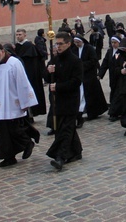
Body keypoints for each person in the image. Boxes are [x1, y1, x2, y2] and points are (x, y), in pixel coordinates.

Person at [0, 42, 40, 167]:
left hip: (12, 102)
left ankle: (27, 143)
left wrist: (25, 102)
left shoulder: (14, 63)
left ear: (3, 51)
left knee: (14, 130)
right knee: (2, 133)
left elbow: (22, 83)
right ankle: (8, 157)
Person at [46, 32, 83, 171]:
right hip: (57, 101)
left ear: (68, 44)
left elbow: (77, 81)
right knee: (65, 127)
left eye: (61, 43)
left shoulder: (75, 61)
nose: (58, 46)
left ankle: (60, 157)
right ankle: (76, 151)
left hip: (70, 101)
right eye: (57, 43)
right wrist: (48, 71)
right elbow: (47, 79)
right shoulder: (55, 60)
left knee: (65, 130)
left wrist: (59, 87)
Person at [14, 29, 47, 120]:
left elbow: (35, 63)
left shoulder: (30, 46)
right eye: (17, 35)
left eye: (20, 34)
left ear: (25, 35)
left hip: (30, 74)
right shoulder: (16, 46)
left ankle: (31, 113)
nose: (18, 36)